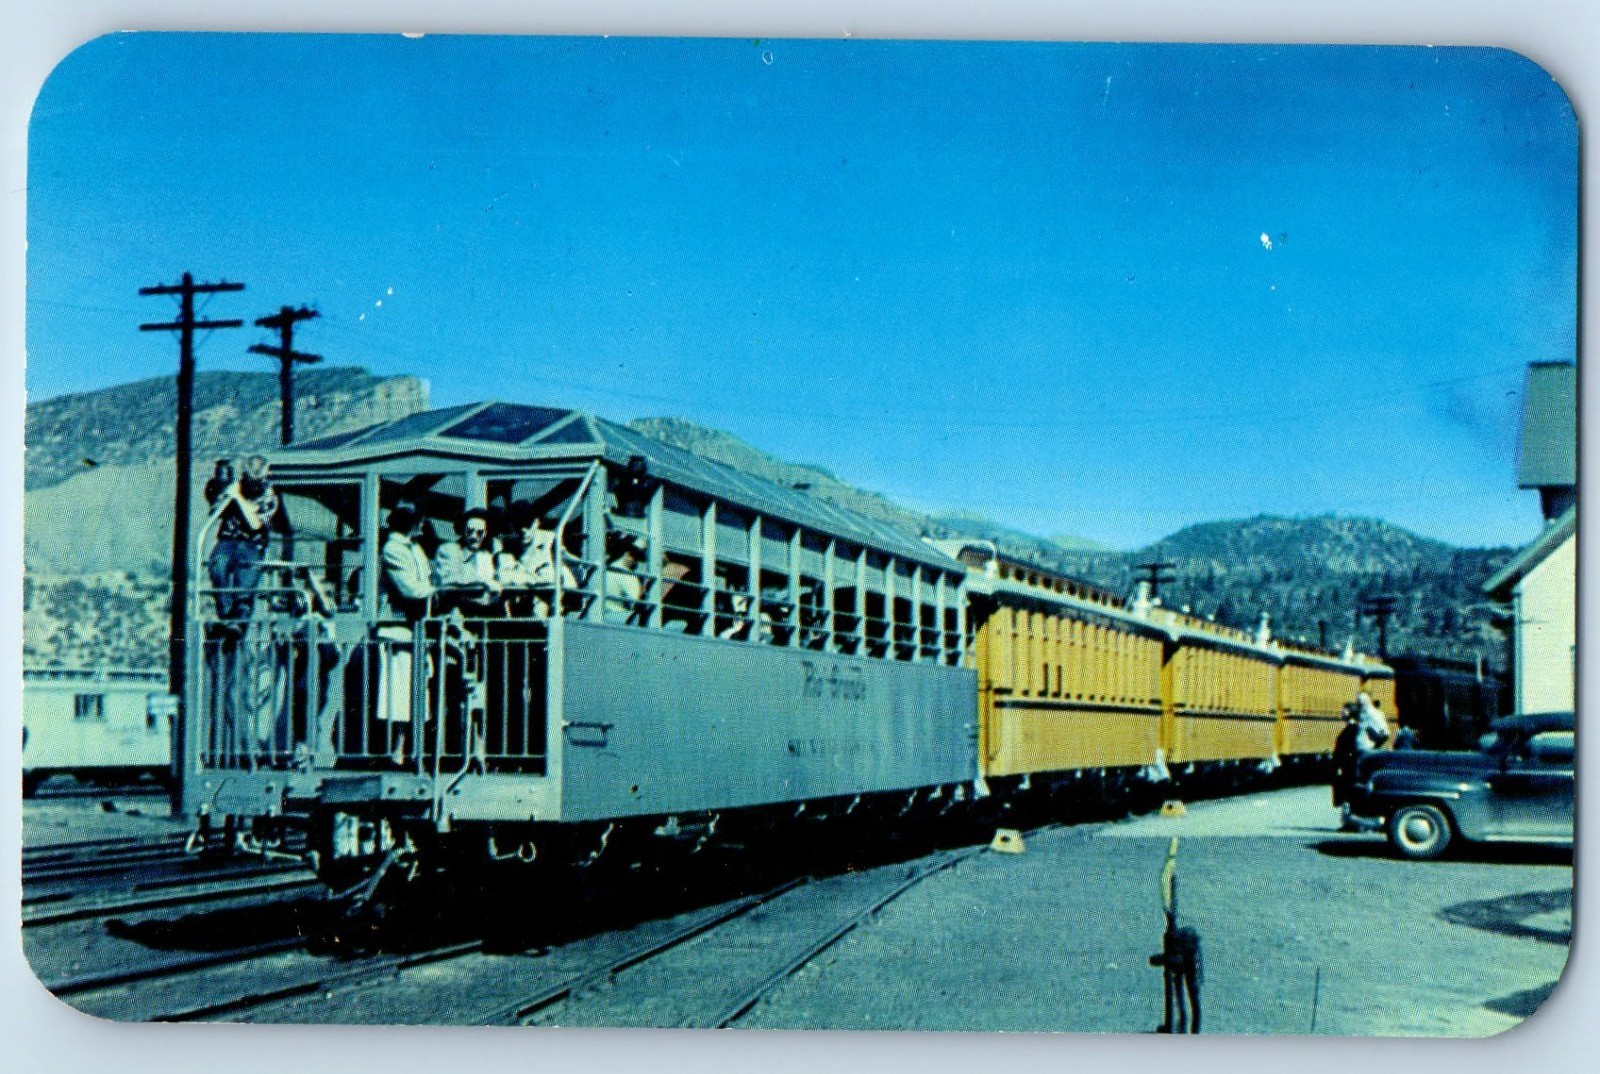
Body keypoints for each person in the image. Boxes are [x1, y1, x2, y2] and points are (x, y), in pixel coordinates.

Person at [205, 454, 282, 621]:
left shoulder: (268, 494)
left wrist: (238, 498)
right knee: (217, 563)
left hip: (252, 543)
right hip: (228, 540)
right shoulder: (235, 487)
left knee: (245, 568)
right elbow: (215, 511)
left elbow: (256, 523)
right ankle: (225, 609)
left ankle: (241, 611)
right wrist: (225, 493)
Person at [435, 508, 503, 616]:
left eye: (479, 533)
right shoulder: (449, 550)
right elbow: (448, 581)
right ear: (462, 530)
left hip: (484, 612)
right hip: (455, 613)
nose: (473, 537)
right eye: (469, 531)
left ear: (486, 533)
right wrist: (484, 582)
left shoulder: (486, 555)